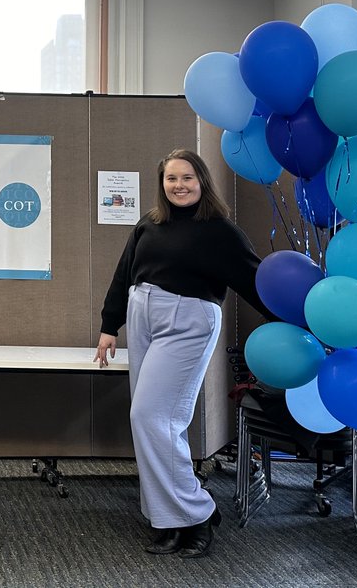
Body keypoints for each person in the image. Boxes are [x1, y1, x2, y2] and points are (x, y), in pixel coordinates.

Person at [93, 148, 270, 560]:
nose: (179, 186)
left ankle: (198, 513)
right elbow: (124, 274)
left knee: (153, 417)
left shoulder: (220, 230)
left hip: (187, 320)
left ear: (202, 181)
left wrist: (297, 319)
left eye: (187, 178)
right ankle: (170, 519)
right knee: (152, 422)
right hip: (143, 316)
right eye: (171, 179)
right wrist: (108, 324)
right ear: (162, 184)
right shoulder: (150, 225)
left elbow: (255, 281)